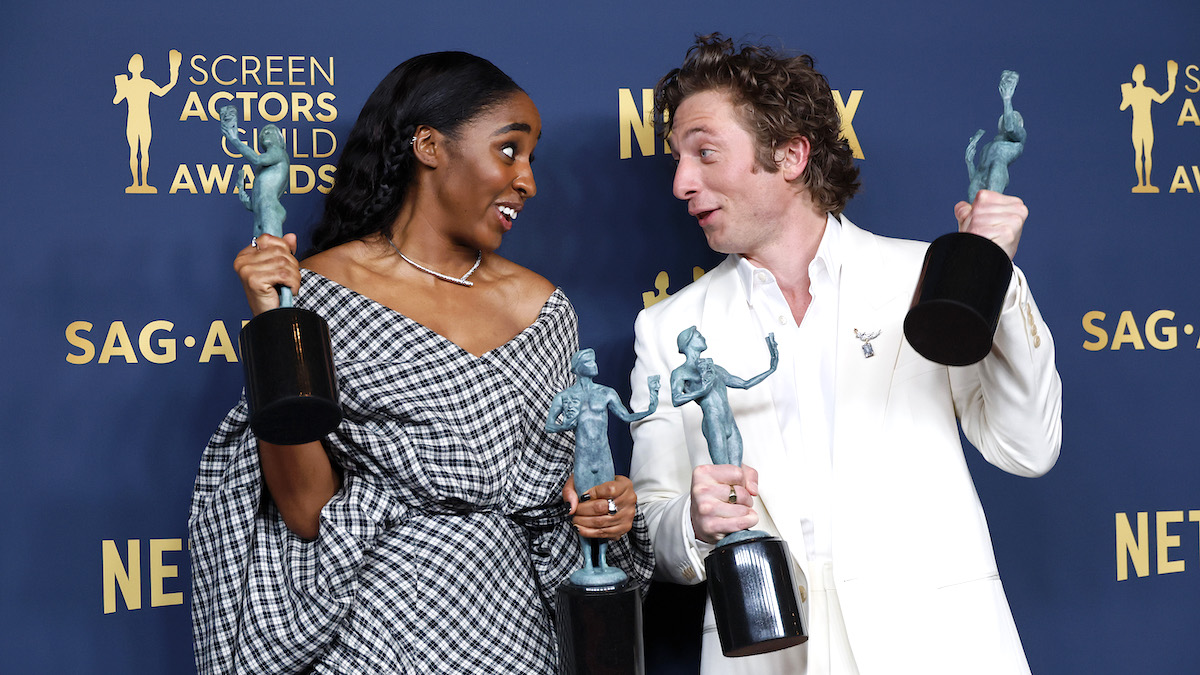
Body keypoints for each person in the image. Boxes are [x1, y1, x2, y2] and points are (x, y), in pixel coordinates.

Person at [189, 52, 653, 675]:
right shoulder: (318, 293)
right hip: (374, 632)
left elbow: (561, 503)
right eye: (509, 151)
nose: (527, 181)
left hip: (510, 628)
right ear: (430, 146)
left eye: (532, 159)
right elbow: (303, 511)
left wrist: (605, 509)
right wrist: (274, 324)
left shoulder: (544, 311)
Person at [628, 34, 1061, 674]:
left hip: (939, 648)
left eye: (705, 153)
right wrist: (693, 523)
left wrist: (991, 275)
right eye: (677, 160)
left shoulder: (926, 278)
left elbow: (1027, 449)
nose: (682, 183)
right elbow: (654, 525)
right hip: (765, 654)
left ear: (791, 155)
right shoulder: (667, 328)